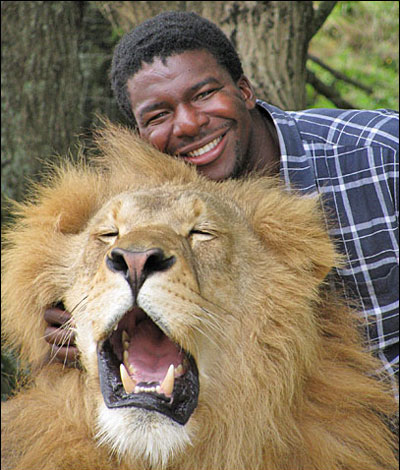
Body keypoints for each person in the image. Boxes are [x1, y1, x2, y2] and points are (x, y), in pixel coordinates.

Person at [44, 11, 399, 389]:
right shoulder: (142, 205)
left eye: (203, 95)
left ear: (245, 91)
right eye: (158, 115)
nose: (187, 124)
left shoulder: (383, 154)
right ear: (141, 134)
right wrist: (88, 322)